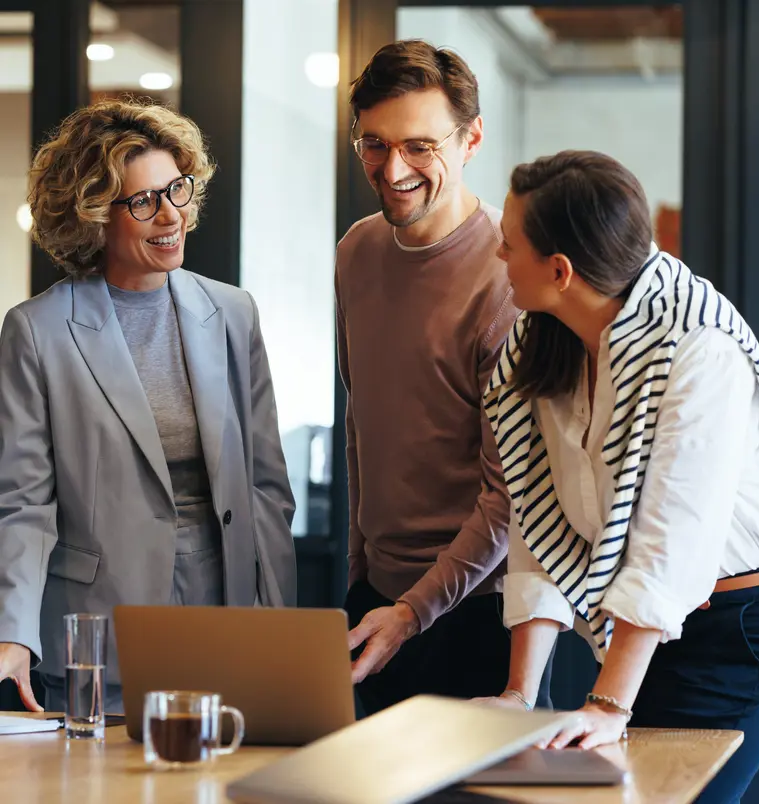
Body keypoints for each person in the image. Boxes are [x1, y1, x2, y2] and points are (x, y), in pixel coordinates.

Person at [480, 150, 759, 803]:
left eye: (509, 244)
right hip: (652, 620)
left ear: (560, 270)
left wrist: (606, 703)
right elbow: (540, 521)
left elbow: (670, 545)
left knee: (663, 797)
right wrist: (520, 692)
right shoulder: (544, 341)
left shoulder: (699, 345)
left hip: (746, 626)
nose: (497, 255)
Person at [0, 98, 296, 713]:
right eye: (143, 201)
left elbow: (267, 488)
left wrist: (278, 623)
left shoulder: (232, 312)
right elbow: (23, 502)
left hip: (226, 618)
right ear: (93, 216)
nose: (171, 215)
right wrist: (12, 631)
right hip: (100, 626)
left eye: (177, 190)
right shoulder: (37, 330)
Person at [336, 39, 553, 716]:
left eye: (419, 146)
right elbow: (361, 424)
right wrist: (363, 580)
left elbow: (509, 492)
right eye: (373, 144)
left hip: (475, 612)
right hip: (373, 603)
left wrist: (413, 610)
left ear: (472, 139)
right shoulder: (356, 250)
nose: (393, 168)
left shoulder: (508, 278)